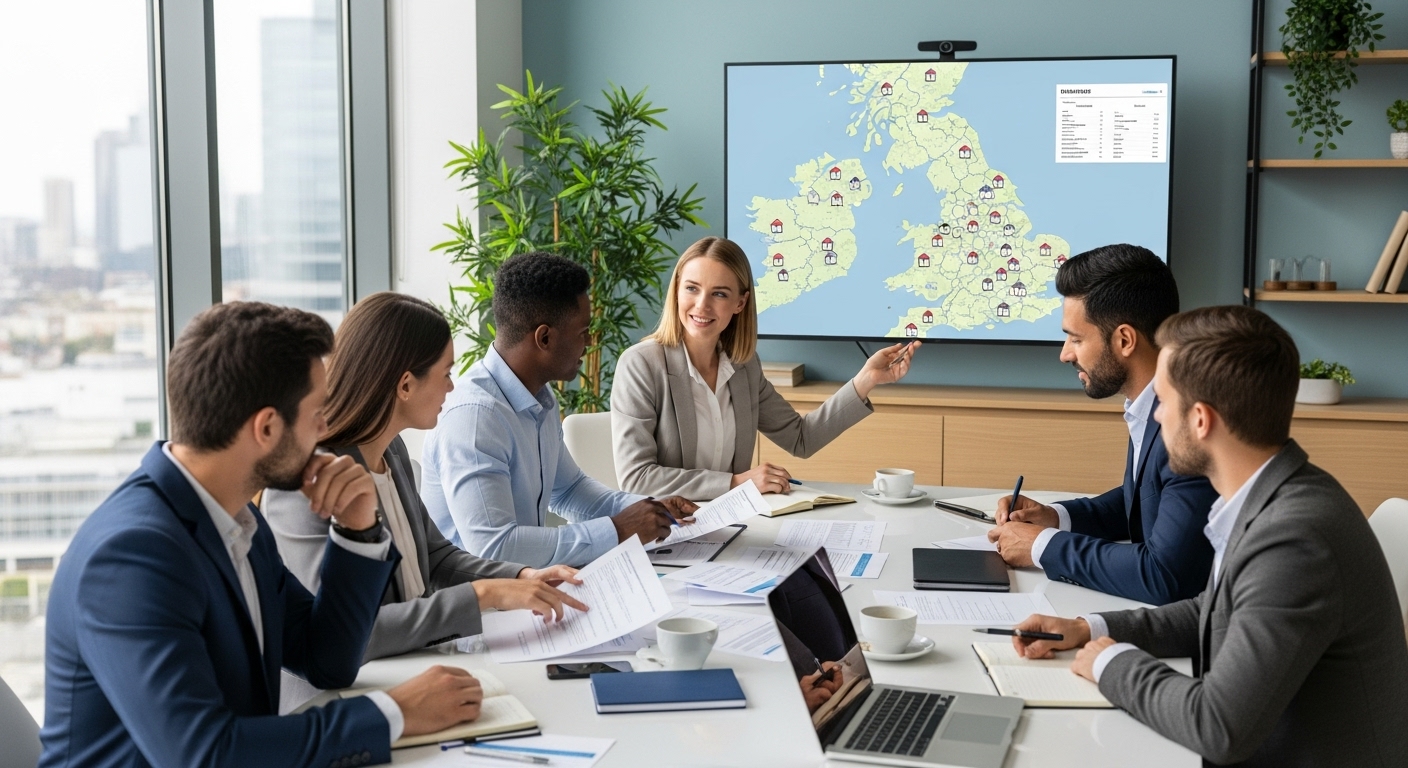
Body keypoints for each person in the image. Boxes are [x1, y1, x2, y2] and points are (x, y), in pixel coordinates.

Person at [40, 302, 485, 767]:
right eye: (318, 412)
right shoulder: (132, 555)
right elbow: (204, 754)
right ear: (267, 427)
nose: (328, 427)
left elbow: (326, 660)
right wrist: (393, 713)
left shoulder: (240, 524)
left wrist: (357, 530)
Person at [1011, 306, 1408, 766]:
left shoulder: (1295, 538)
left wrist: (1110, 663)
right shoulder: (1276, 491)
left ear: (1201, 420)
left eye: (1162, 400)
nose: (1156, 417)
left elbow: (1218, 727)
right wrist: (1089, 629)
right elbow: (1218, 608)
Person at [264, 292, 589, 662]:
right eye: (446, 373)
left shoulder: (393, 452)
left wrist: (521, 576)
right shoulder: (307, 484)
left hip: (419, 660)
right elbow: (343, 633)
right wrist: (484, 595)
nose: (452, 387)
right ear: (405, 385)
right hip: (353, 688)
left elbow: (435, 556)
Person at [422, 253, 698, 567]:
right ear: (544, 338)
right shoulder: (474, 418)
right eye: (583, 333)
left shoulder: (539, 394)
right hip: (481, 607)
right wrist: (619, 529)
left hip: (527, 588)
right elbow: (494, 549)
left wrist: (649, 509)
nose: (590, 343)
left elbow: (568, 490)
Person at [987, 244, 1217, 604]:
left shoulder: (1188, 423)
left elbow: (1165, 575)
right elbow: (1145, 500)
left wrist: (1042, 547)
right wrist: (1055, 517)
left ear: (1124, 340)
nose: (1065, 354)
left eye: (1076, 338)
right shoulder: (1155, 399)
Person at [611, 236, 917, 499]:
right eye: (692, 288)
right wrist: (734, 483)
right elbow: (636, 479)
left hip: (731, 524)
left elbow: (801, 438)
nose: (701, 305)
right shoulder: (641, 365)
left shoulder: (743, 366)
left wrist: (866, 379)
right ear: (677, 290)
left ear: (740, 303)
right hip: (667, 530)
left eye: (719, 293)